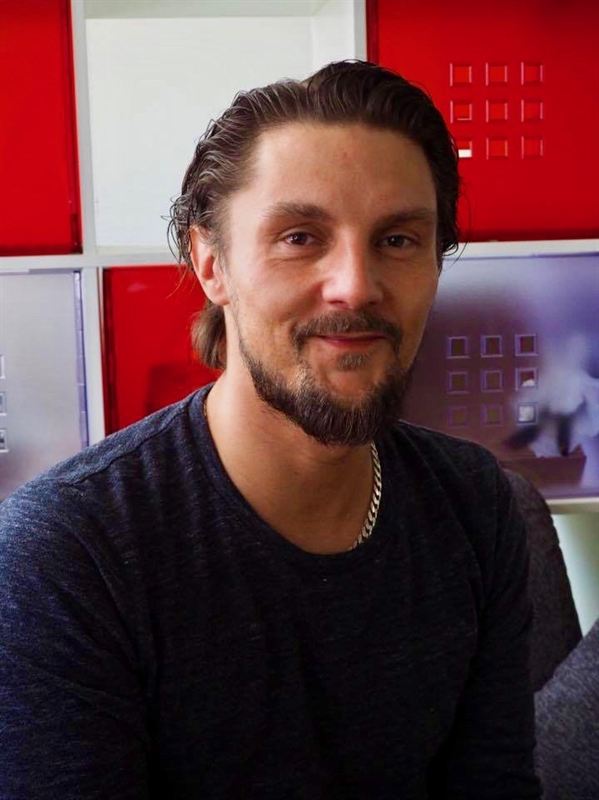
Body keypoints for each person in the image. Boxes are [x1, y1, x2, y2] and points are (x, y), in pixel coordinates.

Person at [0, 61, 541, 799]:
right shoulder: (68, 554)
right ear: (211, 263)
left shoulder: (476, 504)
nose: (355, 286)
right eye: (299, 236)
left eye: (397, 240)